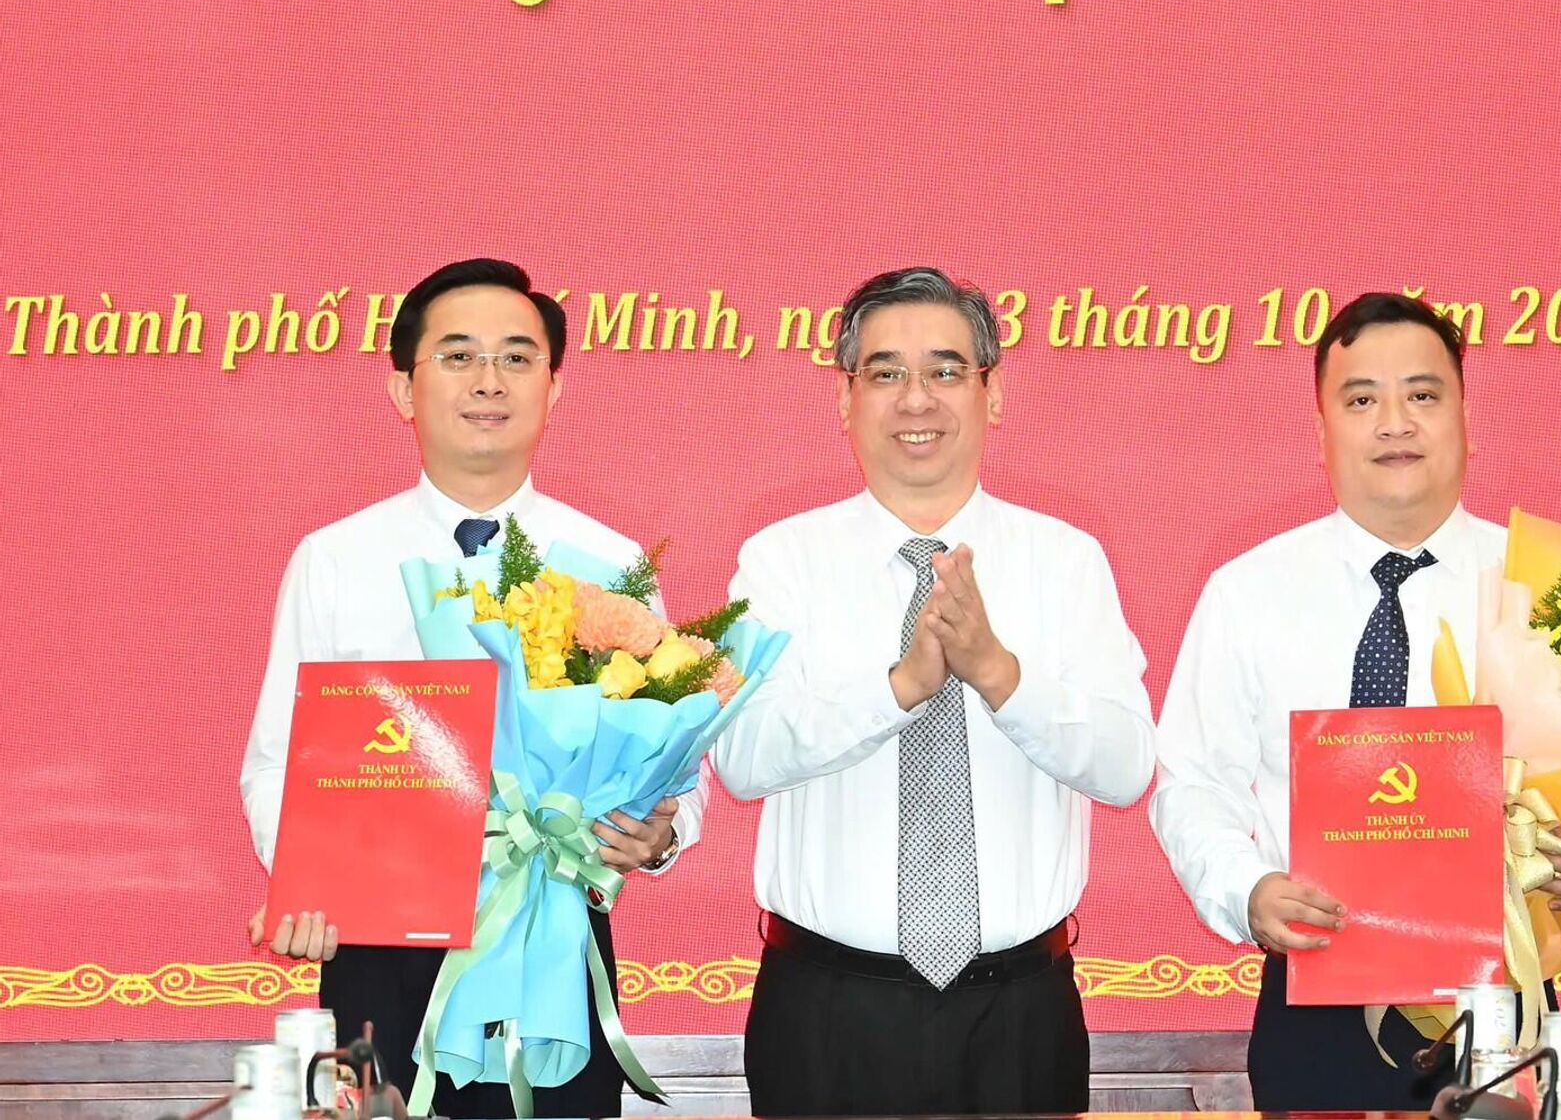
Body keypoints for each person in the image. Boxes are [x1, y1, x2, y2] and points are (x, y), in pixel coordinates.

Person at [1151, 291, 1561, 1111]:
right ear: (1322, 432)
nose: (1395, 423)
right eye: (1361, 400)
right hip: (1314, 986)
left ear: (1466, 421)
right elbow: (1193, 782)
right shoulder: (1249, 592)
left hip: (1503, 992)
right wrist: (1249, 890)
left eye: (1423, 394)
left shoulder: (1550, 588)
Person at [239, 257, 705, 1118]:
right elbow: (276, 762)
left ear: (553, 388)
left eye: (517, 358)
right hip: (381, 945)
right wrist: (309, 880)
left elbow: (677, 767)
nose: (489, 381)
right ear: (404, 390)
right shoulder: (336, 559)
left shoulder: (611, 564)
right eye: (458, 356)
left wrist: (658, 835)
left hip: (552, 946)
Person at [713, 266, 1155, 1117]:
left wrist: (999, 675)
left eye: (946, 371)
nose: (916, 399)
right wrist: (900, 688)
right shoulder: (781, 561)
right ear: (845, 398)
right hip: (826, 1011)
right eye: (886, 373)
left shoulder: (1065, 561)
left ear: (994, 393)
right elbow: (742, 757)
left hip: (1019, 1013)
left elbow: (1128, 766)